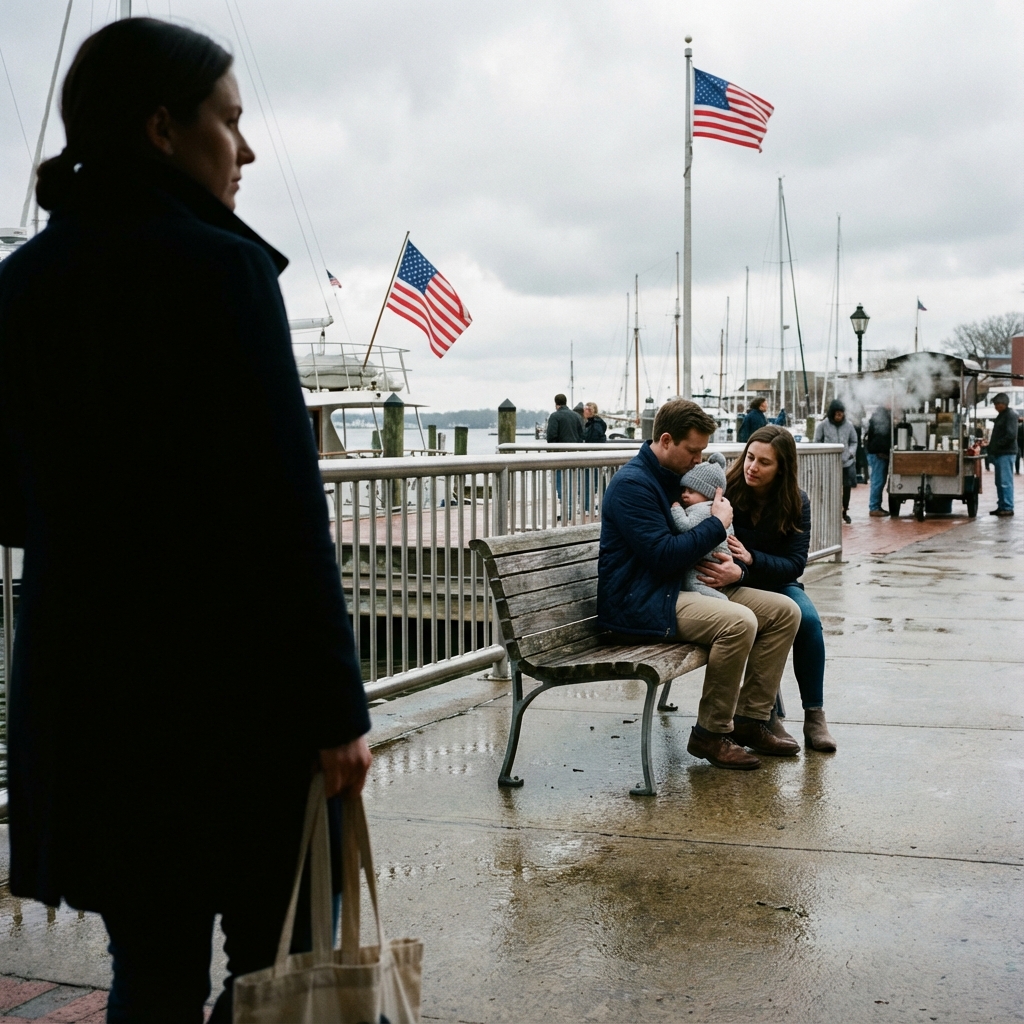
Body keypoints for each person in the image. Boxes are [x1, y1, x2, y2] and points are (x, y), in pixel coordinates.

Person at [0, 20, 371, 1022]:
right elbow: (283, 519)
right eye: (231, 122)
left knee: (151, 970)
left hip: (91, 702)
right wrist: (338, 711)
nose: (245, 150)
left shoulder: (22, 285)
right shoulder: (220, 271)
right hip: (235, 705)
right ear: (164, 128)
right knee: (279, 971)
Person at [597, 399, 801, 770]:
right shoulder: (633, 486)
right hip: (641, 600)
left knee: (785, 611)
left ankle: (750, 720)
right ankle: (711, 733)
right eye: (693, 451)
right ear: (665, 440)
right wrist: (717, 524)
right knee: (738, 622)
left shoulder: (670, 476)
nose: (698, 459)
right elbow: (664, 557)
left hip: (679, 587)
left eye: (703, 452)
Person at [725, 427, 837, 752]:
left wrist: (752, 558)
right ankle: (764, 714)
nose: (752, 467)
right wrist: (743, 566)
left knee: (810, 621)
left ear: (782, 468)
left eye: (764, 462)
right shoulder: (728, 491)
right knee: (763, 622)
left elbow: (794, 564)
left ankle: (814, 716)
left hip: (778, 582)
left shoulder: (796, 501)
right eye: (749, 457)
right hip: (736, 582)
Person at [670, 452, 733, 601]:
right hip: (719, 562)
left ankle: (721, 600)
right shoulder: (718, 507)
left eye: (691, 491)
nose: (685, 495)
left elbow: (686, 526)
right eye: (684, 490)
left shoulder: (703, 509)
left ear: (707, 493)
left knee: (693, 583)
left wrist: (676, 510)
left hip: (704, 564)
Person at [814, 399, 858, 523]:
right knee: (829, 487)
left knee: (847, 487)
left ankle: (844, 511)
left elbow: (854, 441)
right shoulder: (823, 425)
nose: (839, 416)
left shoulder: (848, 425)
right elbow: (817, 441)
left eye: (841, 413)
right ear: (832, 413)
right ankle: (830, 511)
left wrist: (850, 453)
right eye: (837, 413)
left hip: (846, 463)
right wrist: (823, 454)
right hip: (829, 463)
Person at [547, 393, 583, 517]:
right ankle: (572, 510)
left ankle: (566, 512)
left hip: (560, 454)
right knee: (573, 482)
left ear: (556, 403)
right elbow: (581, 434)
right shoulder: (577, 416)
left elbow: (551, 435)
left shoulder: (555, 416)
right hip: (574, 454)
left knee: (561, 484)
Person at [988, 392, 1018, 516]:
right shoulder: (1002, 415)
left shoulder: (1010, 415)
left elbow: (1011, 435)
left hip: (1006, 452)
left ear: (1003, 404)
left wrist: (997, 444)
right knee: (1000, 481)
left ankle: (1007, 506)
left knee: (1005, 481)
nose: (995, 406)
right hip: (1000, 453)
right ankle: (1002, 505)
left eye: (997, 404)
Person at [865, 402, 892, 517]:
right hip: (878, 453)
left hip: (877, 452)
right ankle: (874, 507)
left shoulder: (881, 414)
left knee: (879, 481)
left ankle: (876, 506)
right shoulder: (882, 416)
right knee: (878, 481)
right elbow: (881, 437)